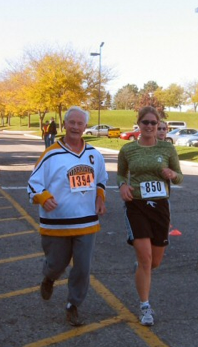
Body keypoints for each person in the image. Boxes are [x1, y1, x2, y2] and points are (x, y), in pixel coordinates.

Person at [27, 106, 107, 327]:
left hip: (87, 221)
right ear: (64, 124)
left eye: (79, 123)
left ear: (85, 127)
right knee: (57, 263)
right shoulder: (51, 154)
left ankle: (73, 305)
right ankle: (49, 277)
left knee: (82, 267)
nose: (75, 127)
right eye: (71, 122)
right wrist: (42, 197)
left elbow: (101, 179)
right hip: (57, 223)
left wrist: (100, 196)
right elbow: (33, 184)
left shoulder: (94, 155)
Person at [117, 106, 183, 326]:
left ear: (159, 126)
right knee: (145, 258)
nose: (149, 126)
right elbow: (119, 175)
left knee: (154, 261)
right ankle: (145, 306)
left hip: (160, 207)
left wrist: (172, 174)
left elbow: (179, 178)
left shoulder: (167, 149)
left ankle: (142, 270)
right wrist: (122, 186)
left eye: (153, 123)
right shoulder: (128, 150)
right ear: (138, 124)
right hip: (136, 205)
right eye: (145, 122)